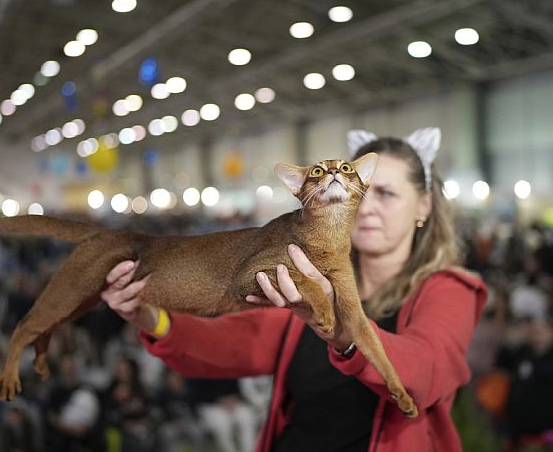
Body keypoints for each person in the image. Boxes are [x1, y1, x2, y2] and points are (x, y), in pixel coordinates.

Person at [100, 128, 488, 452]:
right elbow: (235, 344)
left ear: (423, 205)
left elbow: (426, 372)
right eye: (362, 191)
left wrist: (343, 333)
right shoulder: (308, 278)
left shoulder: (448, 289)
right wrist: (148, 314)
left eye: (386, 194)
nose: (366, 206)